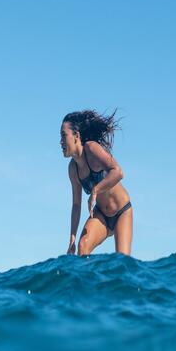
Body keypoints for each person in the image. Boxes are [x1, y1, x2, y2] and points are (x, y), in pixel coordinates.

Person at [60, 109, 133, 256]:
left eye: (63, 136)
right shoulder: (73, 169)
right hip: (101, 215)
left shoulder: (91, 149)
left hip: (121, 212)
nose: (60, 141)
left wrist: (95, 190)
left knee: (122, 261)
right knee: (82, 247)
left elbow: (118, 172)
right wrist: (72, 239)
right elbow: (76, 204)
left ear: (76, 136)